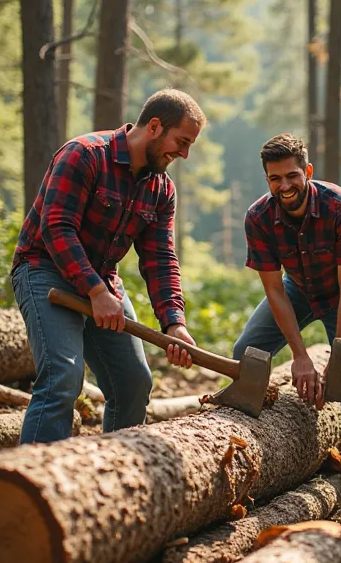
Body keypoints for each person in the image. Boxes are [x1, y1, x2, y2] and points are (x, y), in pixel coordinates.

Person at [11, 88, 205, 443]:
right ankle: (29, 486)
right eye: (182, 141)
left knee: (134, 383)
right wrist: (97, 291)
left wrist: (174, 323)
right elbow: (56, 227)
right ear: (155, 126)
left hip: (101, 281)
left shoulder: (162, 190)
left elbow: (161, 259)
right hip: (43, 270)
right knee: (62, 379)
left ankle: (110, 476)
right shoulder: (84, 155)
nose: (185, 154)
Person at [231, 133, 341, 515]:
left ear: (308, 172)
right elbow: (274, 291)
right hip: (296, 289)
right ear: (267, 179)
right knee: (245, 355)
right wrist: (300, 356)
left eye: (292, 176)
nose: (284, 186)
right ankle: (263, 450)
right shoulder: (259, 217)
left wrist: (340, 357)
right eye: (275, 179)